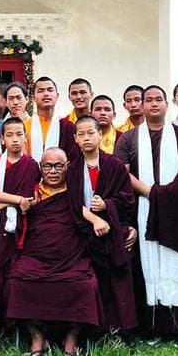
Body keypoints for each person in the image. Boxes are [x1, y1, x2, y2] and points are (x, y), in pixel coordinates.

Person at [117, 85, 178, 338]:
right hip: (142, 209)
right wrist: (150, 192)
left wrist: (166, 193)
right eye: (149, 100)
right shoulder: (129, 138)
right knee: (145, 266)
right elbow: (122, 171)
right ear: (142, 106)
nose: (154, 104)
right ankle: (152, 328)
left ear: (167, 104)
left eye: (159, 99)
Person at [6, 149, 105, 356]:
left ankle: (71, 339)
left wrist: (97, 220)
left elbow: (82, 212)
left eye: (58, 166)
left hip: (71, 258)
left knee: (85, 285)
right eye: (48, 166)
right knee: (18, 281)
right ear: (40, 168)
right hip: (36, 256)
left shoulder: (75, 191)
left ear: (67, 167)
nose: (53, 171)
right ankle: (37, 337)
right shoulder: (33, 192)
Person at [68, 115, 138, 335]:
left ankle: (122, 331)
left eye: (91, 133)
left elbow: (128, 199)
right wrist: (94, 217)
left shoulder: (114, 165)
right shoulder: (72, 169)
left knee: (119, 283)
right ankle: (96, 331)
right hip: (86, 236)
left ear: (100, 135)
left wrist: (107, 205)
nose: (87, 138)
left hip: (113, 234)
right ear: (75, 139)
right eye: (81, 134)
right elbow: (71, 204)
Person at [0, 117, 40, 351]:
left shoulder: (32, 165)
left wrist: (7, 204)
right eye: (9, 135)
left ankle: (18, 330)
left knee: (17, 276)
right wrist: (16, 201)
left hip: (23, 229)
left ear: (25, 137)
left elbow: (33, 200)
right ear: (2, 139)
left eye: (19, 134)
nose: (15, 139)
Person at [25, 76, 76, 159]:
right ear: (33, 98)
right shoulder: (25, 126)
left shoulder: (66, 126)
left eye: (50, 90)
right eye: (41, 91)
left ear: (57, 96)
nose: (46, 94)